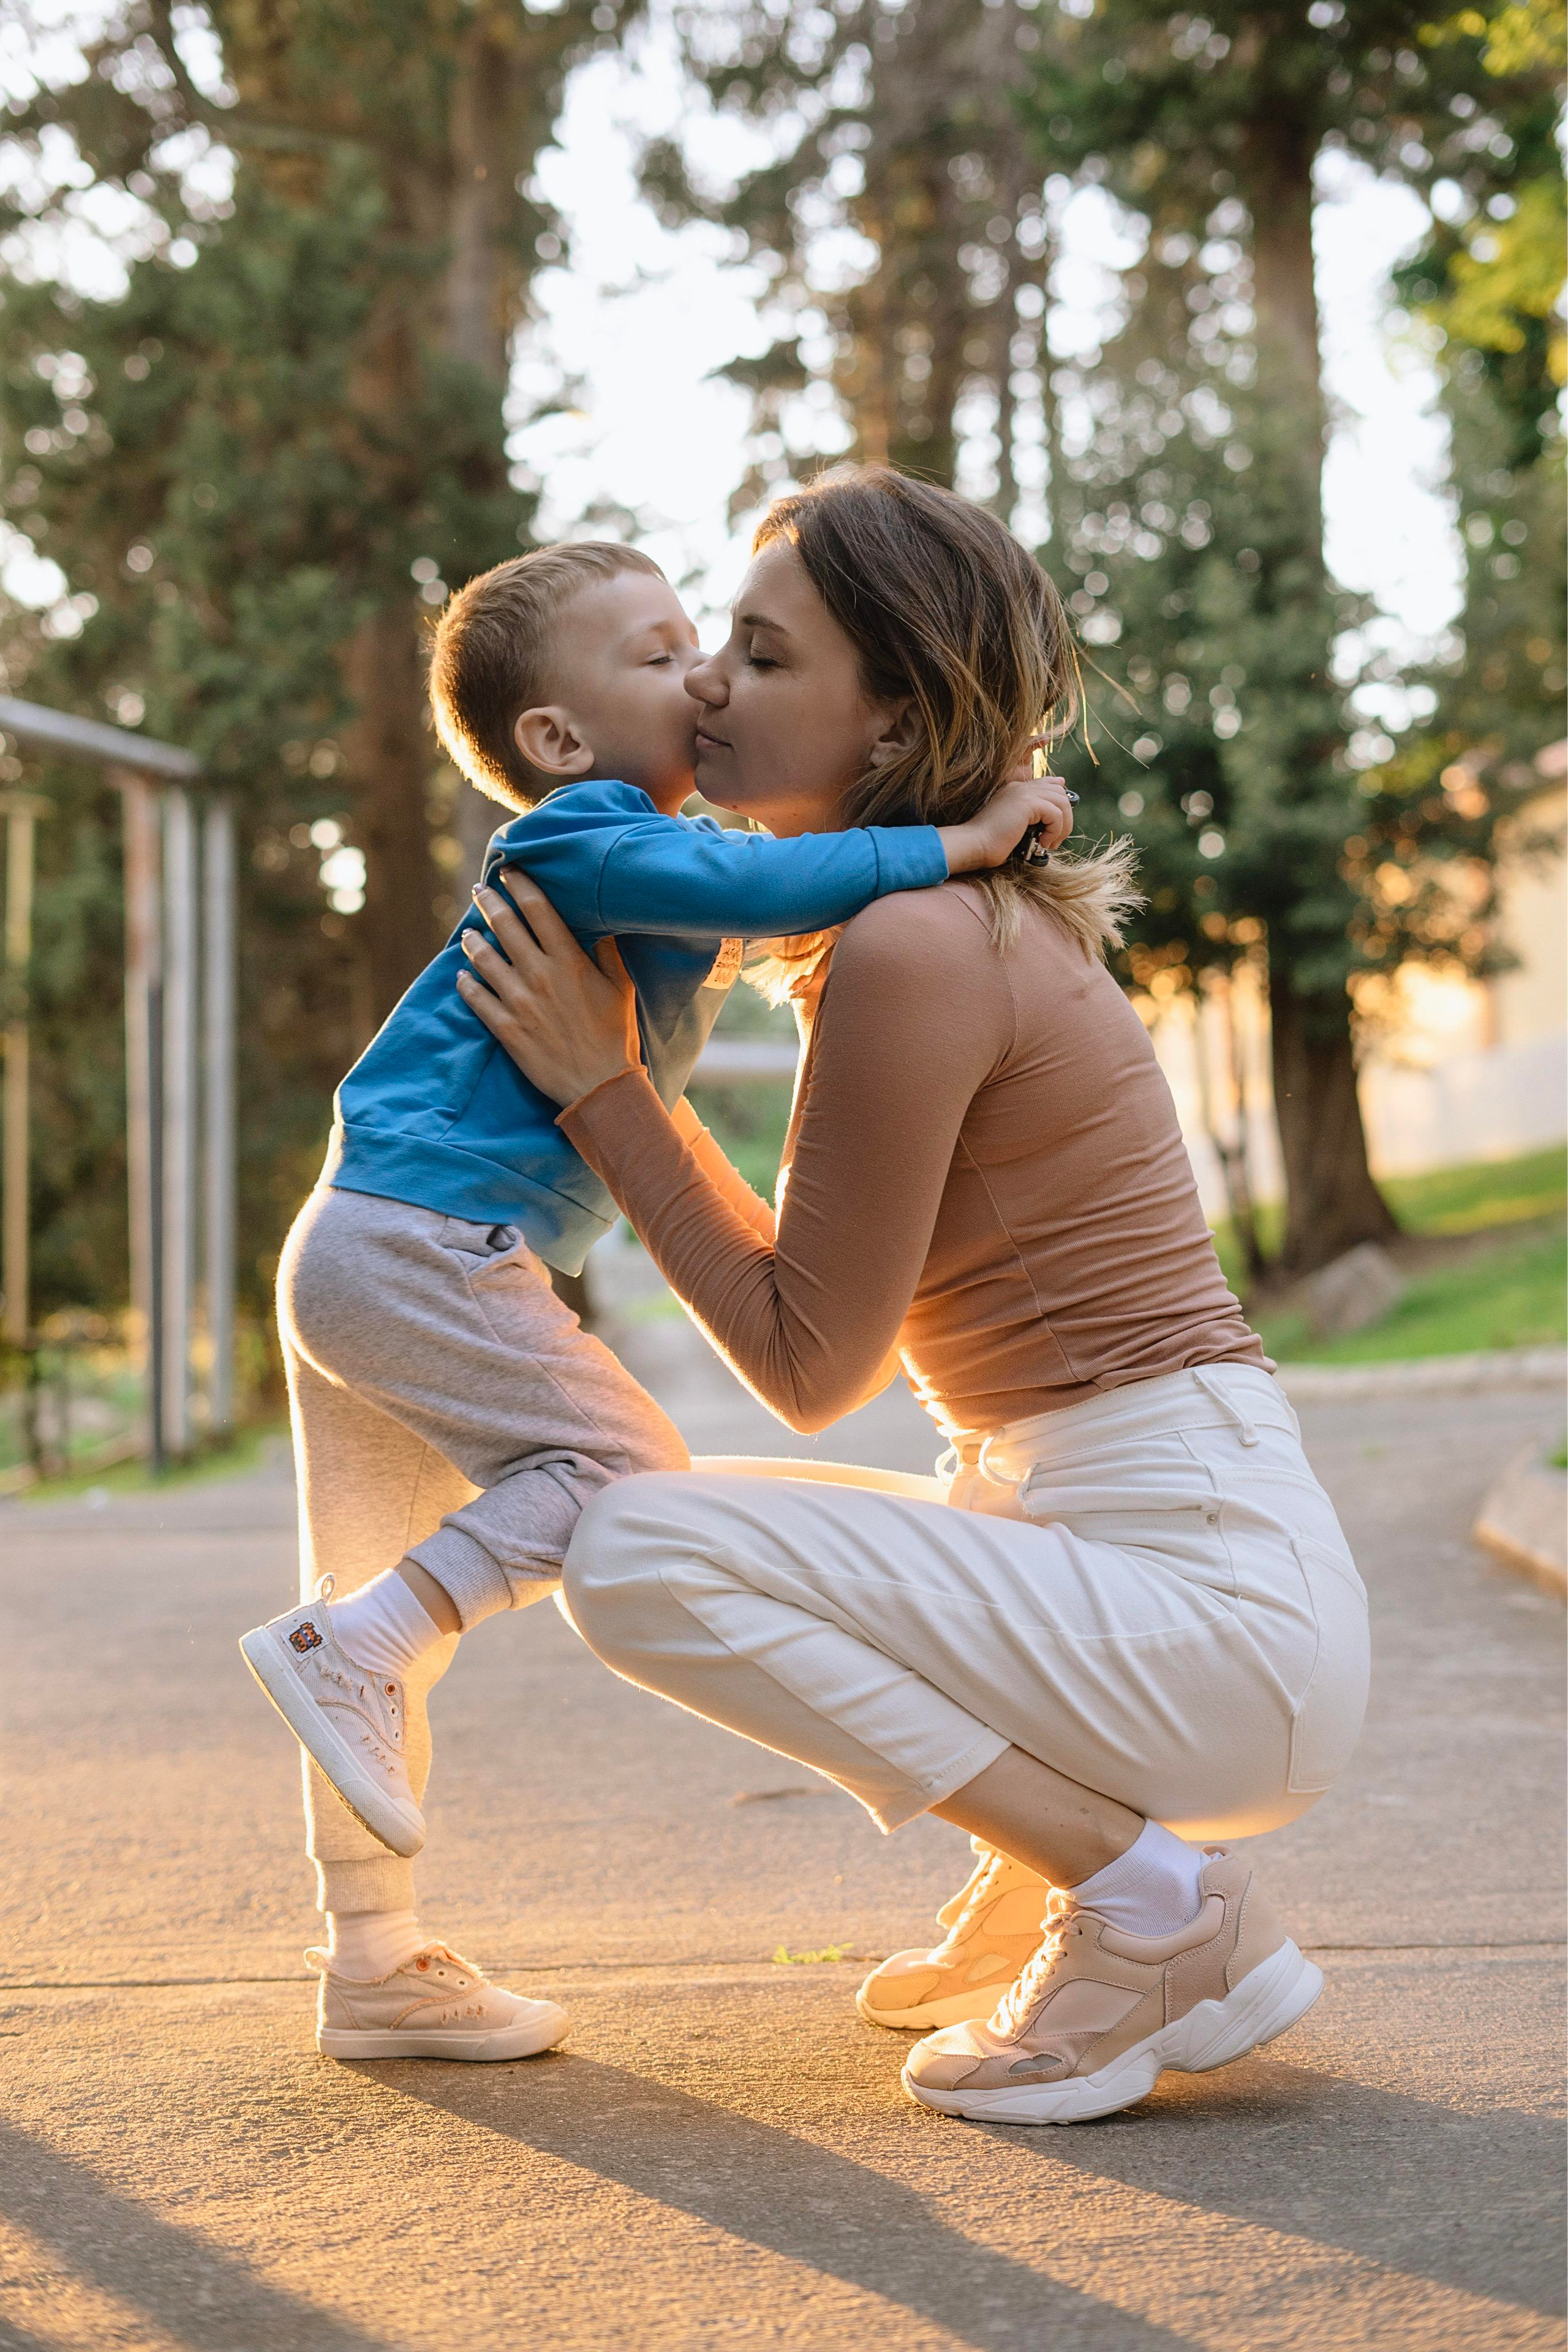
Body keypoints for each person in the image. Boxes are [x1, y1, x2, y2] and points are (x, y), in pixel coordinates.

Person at [455, 466, 1372, 2126]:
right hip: (1183, 1580)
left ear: (890, 718)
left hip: (1206, 1614)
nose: (708, 683)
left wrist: (605, 1092)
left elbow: (809, 1361)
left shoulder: (917, 946)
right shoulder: (926, 924)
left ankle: (1153, 1906)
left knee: (636, 1549)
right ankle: (1054, 1877)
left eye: (763, 655)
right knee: (678, 1516)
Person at [239, 536, 1072, 2065]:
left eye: (710, 644)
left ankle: (371, 1957)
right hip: (419, 1244)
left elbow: (767, 901)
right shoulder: (585, 833)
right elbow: (763, 881)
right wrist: (962, 838)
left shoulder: (638, 854)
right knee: (617, 1474)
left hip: (370, 1242)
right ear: (556, 739)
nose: (700, 677)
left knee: (356, 1581)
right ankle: (357, 1647)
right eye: (658, 654)